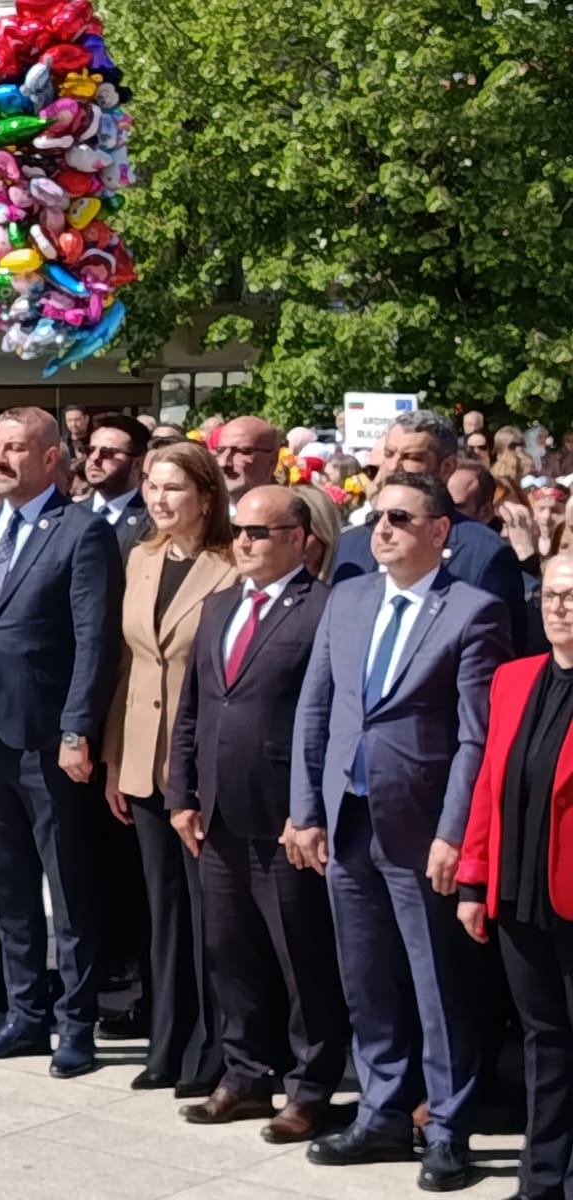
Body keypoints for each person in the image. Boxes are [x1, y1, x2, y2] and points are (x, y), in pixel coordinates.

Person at [292, 471, 510, 1191]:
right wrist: (306, 809)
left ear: (440, 531)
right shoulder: (349, 598)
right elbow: (316, 709)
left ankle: (447, 1127)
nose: (381, 529)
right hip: (348, 819)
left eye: (400, 518)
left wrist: (454, 832)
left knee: (439, 984)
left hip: (422, 827)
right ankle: (382, 1113)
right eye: (376, 517)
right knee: (366, 978)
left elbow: (476, 738)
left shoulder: (473, 612)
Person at [0, 408, 123, 1072]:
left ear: (50, 459)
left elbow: (94, 641)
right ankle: (25, 1014)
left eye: (15, 448)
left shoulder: (82, 532)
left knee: (69, 887)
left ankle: (76, 1023)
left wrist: (77, 728)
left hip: (45, 738)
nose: (1, 459)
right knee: (8, 884)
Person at [165, 485, 347, 1141]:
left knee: (302, 958)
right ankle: (245, 1075)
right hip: (218, 814)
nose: (242, 541)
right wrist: (182, 794)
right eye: (238, 530)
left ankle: (311, 1088)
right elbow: (194, 707)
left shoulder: (325, 608)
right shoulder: (220, 605)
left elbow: (326, 717)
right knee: (231, 951)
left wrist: (309, 808)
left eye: (258, 532)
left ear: (299, 540)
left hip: (283, 817)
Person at [101, 440, 237, 1096]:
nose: (158, 499)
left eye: (173, 487)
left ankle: (216, 1051)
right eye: (152, 486)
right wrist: (113, 758)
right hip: (142, 758)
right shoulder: (141, 557)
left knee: (212, 915)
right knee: (161, 910)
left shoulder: (231, 567)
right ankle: (167, 1043)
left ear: (206, 497)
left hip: (204, 765)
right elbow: (129, 665)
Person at [458, 552, 573, 1200]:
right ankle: (541, 1179)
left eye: (572, 597)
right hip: (519, 893)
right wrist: (473, 882)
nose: (559, 608)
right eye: (551, 596)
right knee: (542, 1039)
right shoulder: (513, 678)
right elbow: (488, 786)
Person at [333, 410, 528, 653]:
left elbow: (499, 654)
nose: (393, 467)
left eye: (412, 457)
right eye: (389, 454)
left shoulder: (483, 554)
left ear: (447, 467)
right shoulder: (350, 546)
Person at [85, 414, 151, 557]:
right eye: (90, 450)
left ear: (137, 463)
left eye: (108, 452)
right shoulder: (69, 515)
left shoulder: (151, 522)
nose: (95, 458)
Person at [213, 416, 279, 512]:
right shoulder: (203, 514)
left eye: (242, 451)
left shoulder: (291, 513)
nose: (223, 463)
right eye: (220, 450)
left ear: (272, 461)